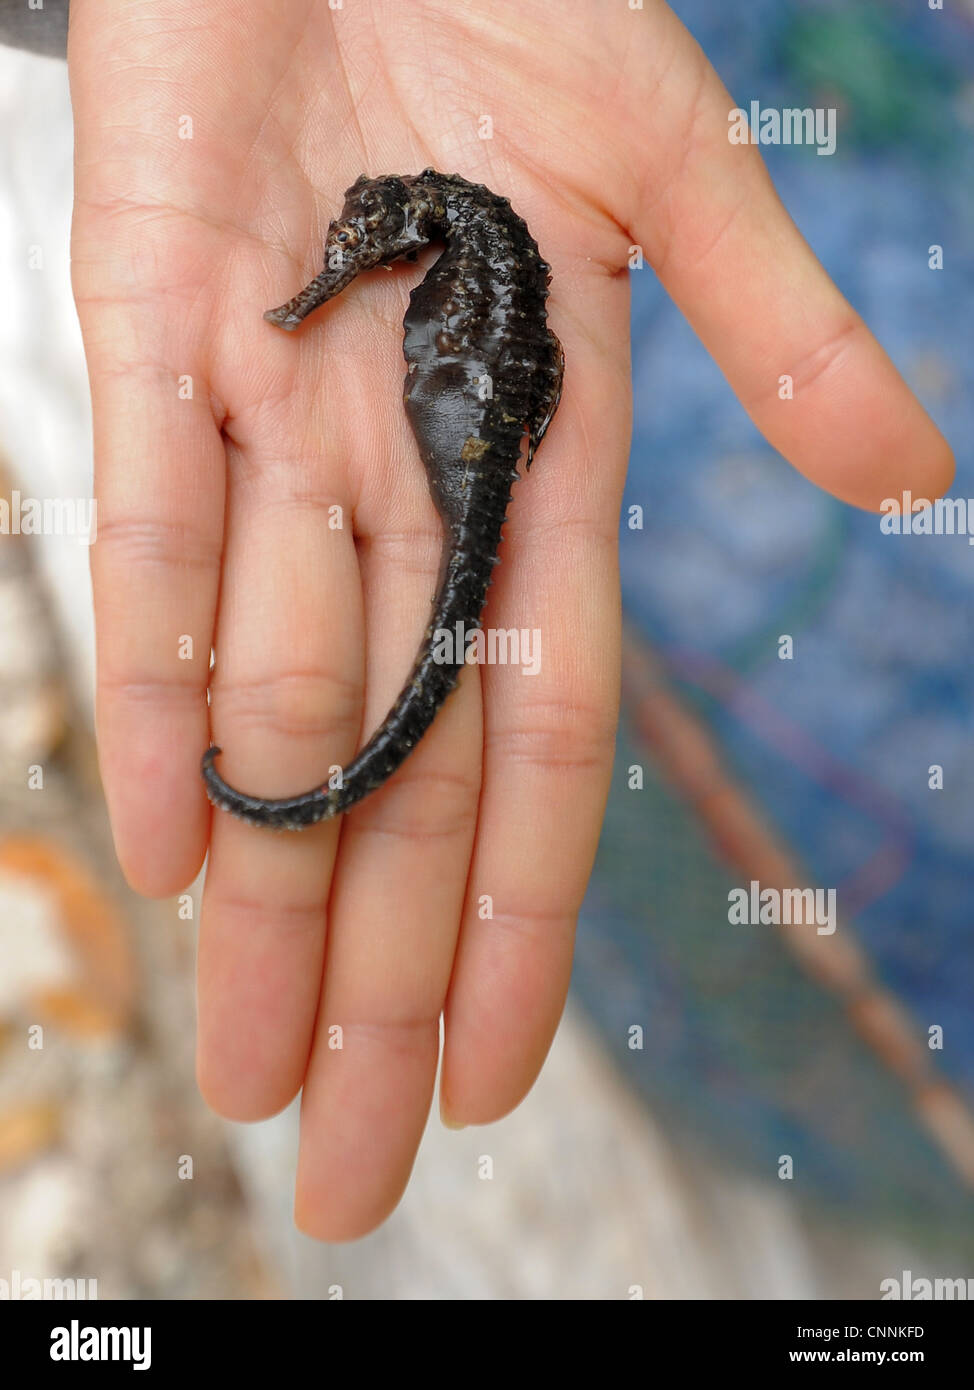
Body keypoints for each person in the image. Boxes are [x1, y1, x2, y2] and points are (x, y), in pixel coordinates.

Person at [2, 0, 953, 1241]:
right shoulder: (468, 252)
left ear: (416, 231)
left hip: (480, 405)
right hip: (479, 387)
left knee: (469, 624)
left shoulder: (475, 267)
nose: (340, 267)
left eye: (363, 246)